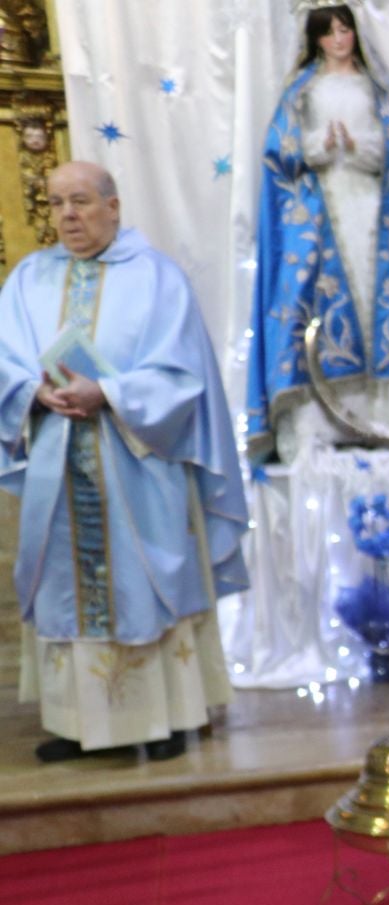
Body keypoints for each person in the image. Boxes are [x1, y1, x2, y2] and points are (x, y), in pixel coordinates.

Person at [0, 163, 247, 762]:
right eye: (56, 202)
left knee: (146, 581)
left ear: (113, 206)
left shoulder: (157, 278)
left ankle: (165, 719)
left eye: (80, 201)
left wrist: (108, 393)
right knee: (64, 586)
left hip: (136, 459)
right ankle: (79, 725)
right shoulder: (28, 278)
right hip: (57, 457)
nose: (67, 215)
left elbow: (182, 374)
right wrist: (31, 391)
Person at [245, 1, 389, 462]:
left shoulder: (378, 89)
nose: (339, 40)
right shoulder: (302, 91)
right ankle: (324, 418)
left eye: (345, 30)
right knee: (322, 300)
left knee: (381, 291)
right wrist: (319, 146)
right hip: (321, 205)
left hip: (372, 203)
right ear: (315, 38)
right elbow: (278, 149)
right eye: (329, 32)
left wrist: (359, 146)